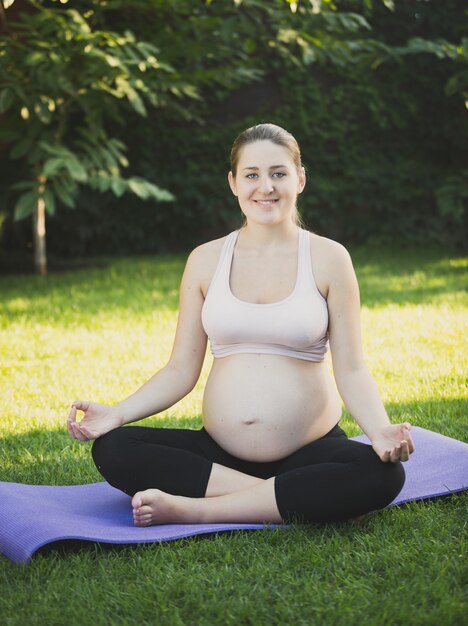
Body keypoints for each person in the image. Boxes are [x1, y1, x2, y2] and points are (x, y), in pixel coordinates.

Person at [67, 123, 414, 527]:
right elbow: (180, 369)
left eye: (278, 173)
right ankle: (281, 495)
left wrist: (379, 430)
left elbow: (352, 368)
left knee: (383, 473)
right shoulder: (204, 260)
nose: (265, 186)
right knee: (116, 448)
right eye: (252, 175)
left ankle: (197, 509)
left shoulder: (329, 258)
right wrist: (117, 414)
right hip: (219, 455)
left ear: (299, 179)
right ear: (234, 182)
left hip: (310, 450)